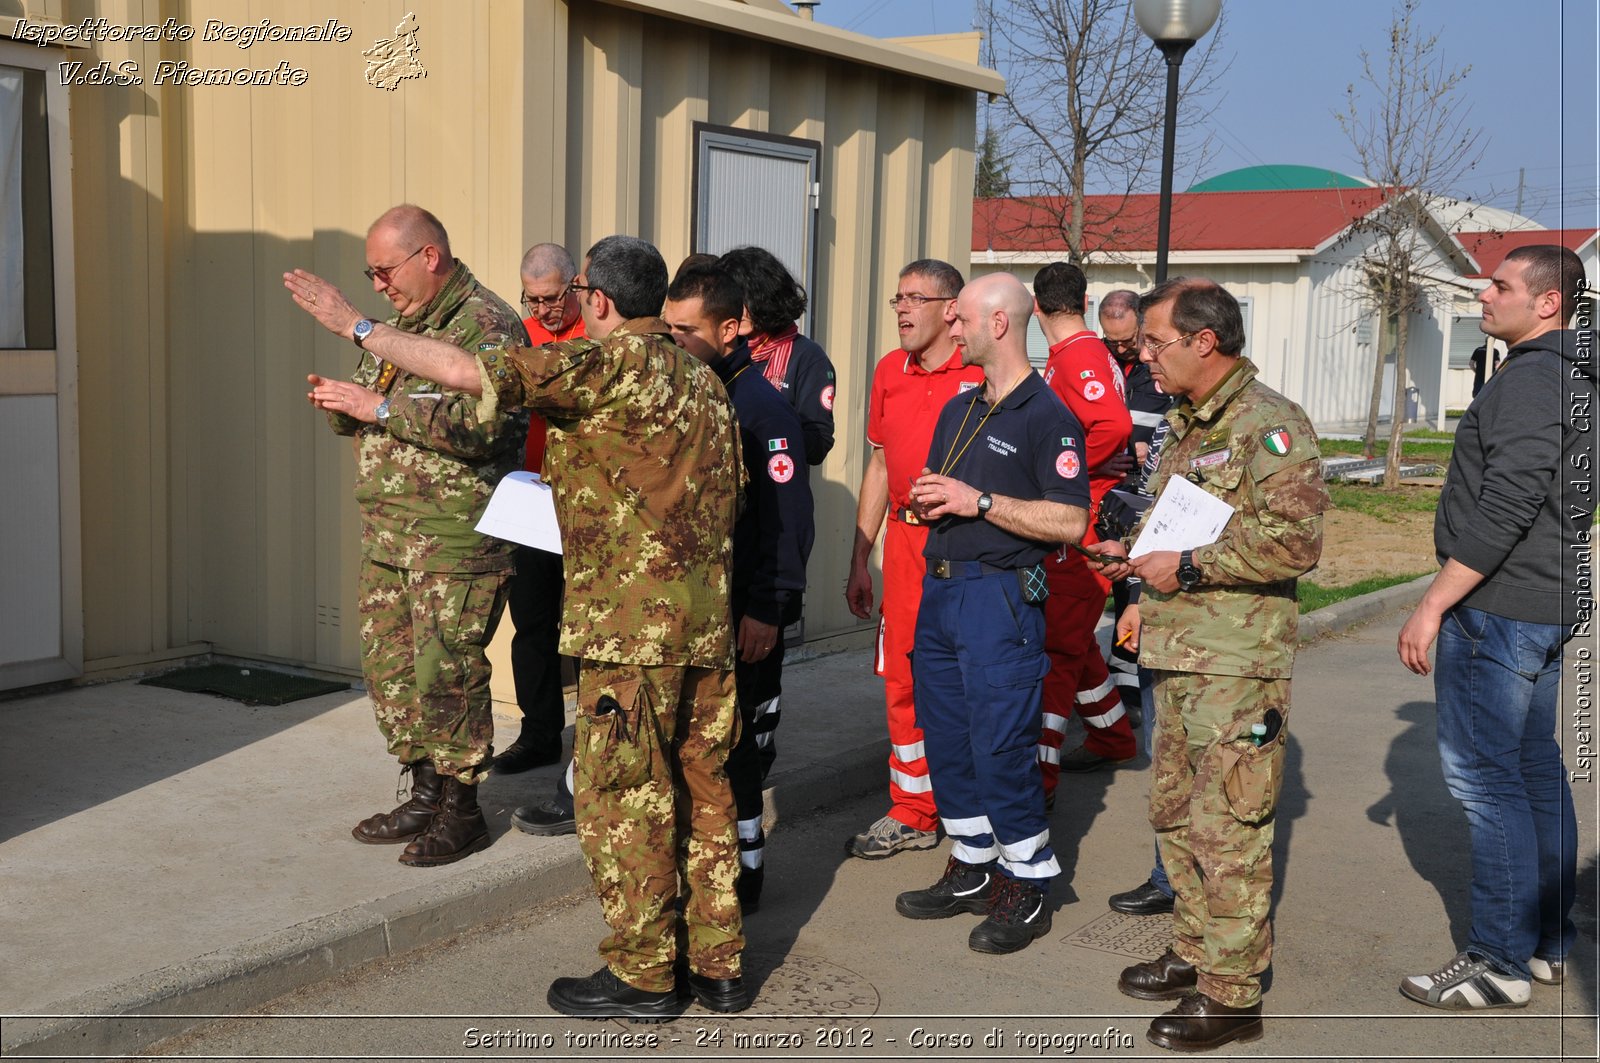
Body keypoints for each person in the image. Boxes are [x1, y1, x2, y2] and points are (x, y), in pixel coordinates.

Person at [289, 234, 748, 1020]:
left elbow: (472, 373)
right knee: (705, 789)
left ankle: (644, 974)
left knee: (625, 796)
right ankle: (718, 964)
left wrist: (357, 327)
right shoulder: (703, 381)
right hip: (704, 629)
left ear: (597, 301)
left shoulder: (606, 364)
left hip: (630, 635)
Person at [1090, 277, 1327, 1052]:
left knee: (1230, 824)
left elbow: (1298, 544)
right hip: (1177, 650)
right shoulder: (1190, 423)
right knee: (1178, 814)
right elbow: (1179, 523)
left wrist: (1185, 566)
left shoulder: (1271, 425)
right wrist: (1137, 579)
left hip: (1235, 663)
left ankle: (1233, 994)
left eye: (1156, 341)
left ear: (1205, 342)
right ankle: (1196, 951)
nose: (1143, 353)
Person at [1396, 245, 1594, 1011]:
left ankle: (1498, 959)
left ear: (1547, 303)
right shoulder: (1576, 375)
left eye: (1502, 285)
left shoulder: (1536, 378)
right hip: (1543, 602)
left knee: (1489, 783)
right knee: (1535, 769)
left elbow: (1509, 506)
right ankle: (1546, 944)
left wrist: (1432, 602)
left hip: (1502, 607)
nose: (1485, 292)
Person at [303, 205, 526, 868]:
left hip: (454, 537)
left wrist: (377, 407)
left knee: (447, 671)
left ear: (429, 255)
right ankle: (426, 791)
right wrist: (348, 403)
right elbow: (382, 407)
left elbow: (487, 424)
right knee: (396, 672)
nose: (378, 286)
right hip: (391, 532)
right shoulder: (404, 327)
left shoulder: (488, 324)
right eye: (370, 274)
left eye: (384, 269)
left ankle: (464, 809)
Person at [894, 272, 1089, 955]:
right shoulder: (962, 406)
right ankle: (974, 861)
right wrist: (933, 500)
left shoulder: (1048, 416)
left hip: (999, 597)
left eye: (962, 320)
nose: (953, 329)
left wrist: (978, 502)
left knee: (1001, 741)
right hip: (942, 589)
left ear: (999, 323)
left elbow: (1070, 519)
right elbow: (951, 489)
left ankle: (1029, 880)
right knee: (946, 733)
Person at [664, 262, 815, 913]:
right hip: (696, 612)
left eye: (685, 329)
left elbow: (788, 525)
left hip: (743, 614)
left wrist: (766, 609)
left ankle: (746, 871)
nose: (672, 340)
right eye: (666, 327)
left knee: (735, 749)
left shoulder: (761, 409)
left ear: (729, 329)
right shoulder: (694, 393)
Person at [844, 259, 983, 859]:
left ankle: (983, 804)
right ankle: (914, 810)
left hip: (968, 544)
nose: (901, 309)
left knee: (974, 676)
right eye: (897, 297)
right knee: (901, 678)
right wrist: (859, 556)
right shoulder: (888, 371)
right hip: (903, 547)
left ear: (951, 309)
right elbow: (879, 463)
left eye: (915, 298)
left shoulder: (982, 372)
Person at [1033, 263, 1137, 780]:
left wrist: (1079, 469)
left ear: (1035, 307)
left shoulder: (1078, 357)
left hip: (1081, 523)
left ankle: (1041, 775)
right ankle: (1113, 736)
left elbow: (1112, 423)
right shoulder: (1072, 355)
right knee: (1073, 639)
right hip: (1084, 515)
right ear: (1086, 300)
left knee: (1057, 648)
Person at [492, 242, 586, 777]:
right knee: (532, 623)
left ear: (575, 286)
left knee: (590, 628)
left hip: (587, 506)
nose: (544, 310)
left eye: (552, 298)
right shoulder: (520, 337)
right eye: (533, 301)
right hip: (530, 500)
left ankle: (597, 736)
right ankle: (539, 733)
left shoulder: (596, 337)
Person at [1102, 287, 1172, 735]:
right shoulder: (1104, 365)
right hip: (1111, 496)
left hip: (1150, 501)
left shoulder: (1159, 371)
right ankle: (1117, 683)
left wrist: (1152, 454)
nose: (1124, 348)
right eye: (1113, 341)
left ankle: (1129, 693)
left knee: (1136, 592)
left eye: (1130, 340)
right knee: (1118, 593)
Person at [718, 246, 837, 466]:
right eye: (732, 300)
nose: (738, 310)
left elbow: (818, 444)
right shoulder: (717, 351)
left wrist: (769, 428)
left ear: (767, 296)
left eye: (747, 300)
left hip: (774, 488)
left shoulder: (807, 357)